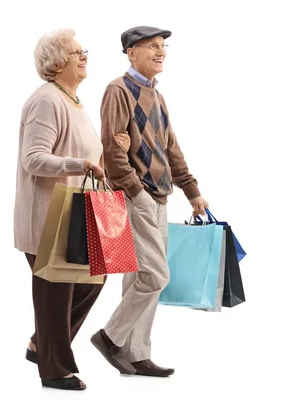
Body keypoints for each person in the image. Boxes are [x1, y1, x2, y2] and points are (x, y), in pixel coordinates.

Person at [13, 28, 130, 390]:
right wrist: (78, 164)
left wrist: (112, 149)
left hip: (76, 216)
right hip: (47, 217)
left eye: (84, 51)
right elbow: (34, 159)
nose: (84, 56)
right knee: (55, 295)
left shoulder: (73, 101)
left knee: (93, 280)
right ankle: (54, 368)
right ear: (56, 61)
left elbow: (90, 161)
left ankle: (42, 345)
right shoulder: (46, 101)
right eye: (76, 52)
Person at [90, 26, 210, 377]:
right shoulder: (118, 90)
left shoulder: (156, 94)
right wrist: (136, 192)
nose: (161, 52)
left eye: (163, 46)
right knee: (156, 276)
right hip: (134, 196)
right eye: (152, 46)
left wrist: (192, 190)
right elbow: (113, 151)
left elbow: (170, 148)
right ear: (131, 52)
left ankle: (136, 352)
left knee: (139, 278)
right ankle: (110, 338)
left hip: (159, 196)